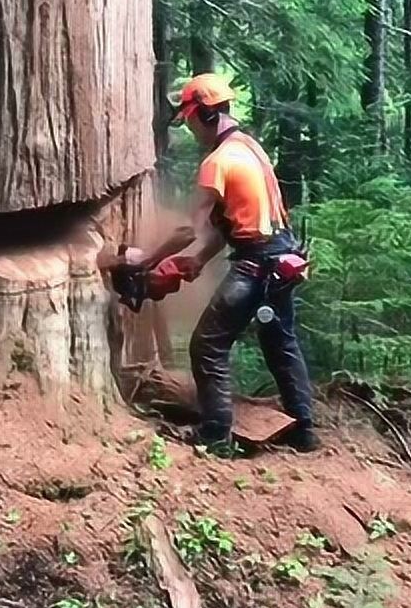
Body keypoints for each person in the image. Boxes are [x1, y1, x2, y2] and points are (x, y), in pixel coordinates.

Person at [130, 73, 318, 453]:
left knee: (207, 345)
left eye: (190, 120)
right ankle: (305, 429)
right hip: (283, 259)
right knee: (280, 342)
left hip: (257, 266)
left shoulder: (217, 162)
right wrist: (196, 261)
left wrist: (145, 259)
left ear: (204, 114)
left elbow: (187, 229)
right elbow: (227, 224)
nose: (191, 130)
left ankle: (215, 436)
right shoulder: (250, 149)